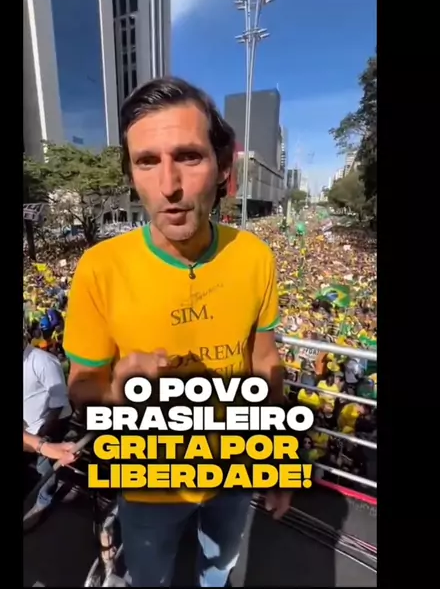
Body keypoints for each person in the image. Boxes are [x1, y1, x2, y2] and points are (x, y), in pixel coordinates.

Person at [64, 77, 292, 587]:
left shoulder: (255, 257)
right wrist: (117, 388)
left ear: (223, 167)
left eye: (188, 156)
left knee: (218, 571)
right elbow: (82, 385)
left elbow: (265, 361)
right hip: (148, 482)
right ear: (132, 174)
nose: (169, 185)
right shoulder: (99, 268)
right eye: (147, 161)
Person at [23, 326, 74, 526]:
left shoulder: (43, 361)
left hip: (51, 423)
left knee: (46, 468)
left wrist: (43, 439)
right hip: (27, 429)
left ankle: (42, 503)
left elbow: (58, 403)